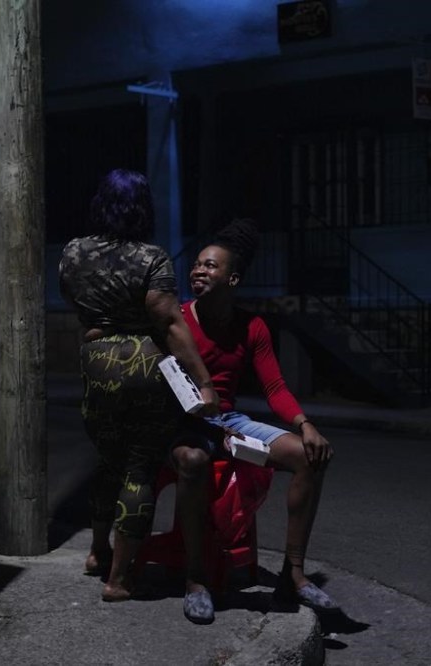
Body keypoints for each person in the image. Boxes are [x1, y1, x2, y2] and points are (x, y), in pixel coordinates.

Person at [58, 169, 219, 603]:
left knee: (106, 461)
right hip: (144, 367)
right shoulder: (152, 258)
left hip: (96, 364)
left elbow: (74, 301)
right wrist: (204, 382)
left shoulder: (73, 252)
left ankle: (96, 552)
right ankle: (119, 579)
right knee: (138, 469)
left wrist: (102, 324)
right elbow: (168, 322)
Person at [171, 218, 337, 625]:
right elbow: (169, 381)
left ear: (233, 278)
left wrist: (304, 424)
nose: (198, 271)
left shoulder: (253, 326)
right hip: (184, 420)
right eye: (196, 264)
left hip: (229, 420)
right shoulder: (177, 320)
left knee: (310, 455)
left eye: (210, 266)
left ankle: (292, 576)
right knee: (193, 461)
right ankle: (195, 580)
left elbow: (275, 387)